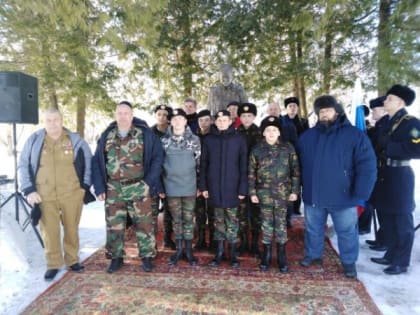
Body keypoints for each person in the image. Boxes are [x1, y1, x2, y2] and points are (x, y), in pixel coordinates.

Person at [297, 95, 377, 279]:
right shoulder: (307, 137)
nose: (324, 114)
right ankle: (313, 255)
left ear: (337, 111)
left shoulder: (354, 135)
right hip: (314, 195)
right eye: (321, 111)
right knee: (313, 229)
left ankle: (349, 262)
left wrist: (361, 192)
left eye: (328, 110)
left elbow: (367, 165)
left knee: (347, 232)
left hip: (344, 196)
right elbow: (297, 166)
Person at [18, 107, 94, 281]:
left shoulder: (74, 140)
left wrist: (84, 187)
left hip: (72, 193)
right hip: (44, 194)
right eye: (48, 120)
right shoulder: (35, 140)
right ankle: (53, 264)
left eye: (56, 120)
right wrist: (29, 190)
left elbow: (88, 161)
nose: (52, 123)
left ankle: (72, 260)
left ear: (61, 120)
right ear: (44, 122)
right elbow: (23, 165)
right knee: (49, 231)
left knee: (71, 228)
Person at [92, 101, 164, 273]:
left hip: (139, 186)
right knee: (114, 225)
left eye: (126, 113)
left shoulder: (145, 134)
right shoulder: (107, 135)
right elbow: (97, 161)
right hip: (114, 188)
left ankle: (146, 257)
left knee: (144, 224)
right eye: (119, 113)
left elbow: (157, 157)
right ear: (115, 115)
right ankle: (116, 258)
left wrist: (148, 182)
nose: (122, 116)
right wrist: (100, 187)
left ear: (132, 115)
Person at [369, 85, 420, 275]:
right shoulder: (387, 122)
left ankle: (401, 261)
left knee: (401, 220)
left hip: (400, 176)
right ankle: (390, 254)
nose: (385, 102)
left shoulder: (412, 124)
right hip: (384, 174)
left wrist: (390, 147)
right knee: (386, 216)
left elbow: (417, 149)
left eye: (389, 99)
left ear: (400, 102)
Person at [249, 116, 300, 272]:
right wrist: (252, 192)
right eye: (268, 130)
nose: (271, 133)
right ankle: (266, 255)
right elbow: (251, 172)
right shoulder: (257, 149)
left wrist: (294, 191)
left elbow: (295, 171)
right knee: (266, 225)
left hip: (282, 194)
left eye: (274, 130)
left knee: (281, 225)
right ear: (263, 133)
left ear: (279, 132)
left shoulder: (288, 148)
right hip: (263, 193)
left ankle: (282, 257)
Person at [199, 110, 248, 268]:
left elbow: (243, 166)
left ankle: (233, 254)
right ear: (215, 122)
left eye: (224, 120)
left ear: (230, 121)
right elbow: (203, 164)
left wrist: (243, 188)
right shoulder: (208, 139)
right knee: (218, 222)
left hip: (232, 187)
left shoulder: (239, 139)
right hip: (214, 187)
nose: (221, 122)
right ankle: (219, 253)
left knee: (232, 222)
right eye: (218, 120)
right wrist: (204, 186)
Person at [160, 109, 201, 266]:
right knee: (176, 220)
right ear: (171, 122)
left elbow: (200, 163)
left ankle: (188, 251)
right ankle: (178, 249)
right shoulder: (164, 141)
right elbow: (160, 164)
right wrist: (161, 187)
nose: (177, 122)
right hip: (171, 186)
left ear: (185, 121)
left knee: (189, 219)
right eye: (174, 119)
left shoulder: (195, 140)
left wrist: (200, 185)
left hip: (190, 186)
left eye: (180, 119)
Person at [358, 97, 387, 238]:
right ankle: (381, 238)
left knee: (382, 206)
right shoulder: (379, 126)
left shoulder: (386, 126)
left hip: (384, 171)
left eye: (375, 110)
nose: (372, 113)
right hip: (376, 169)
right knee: (374, 201)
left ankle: (384, 239)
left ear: (383, 110)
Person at [236, 103, 261, 255]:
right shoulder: (234, 133)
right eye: (244, 116)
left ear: (254, 117)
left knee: (256, 214)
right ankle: (243, 242)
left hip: (257, 180)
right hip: (239, 178)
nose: (246, 118)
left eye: (249, 116)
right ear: (240, 117)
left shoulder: (260, 133)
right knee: (241, 212)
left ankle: (255, 244)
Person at [150, 104, 176, 250]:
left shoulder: (174, 133)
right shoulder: (148, 133)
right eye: (159, 114)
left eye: (165, 115)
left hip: (169, 178)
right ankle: (151, 244)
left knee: (169, 212)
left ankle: (168, 238)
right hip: (153, 178)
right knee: (151, 213)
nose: (162, 117)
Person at [282, 97, 309, 226]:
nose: (292, 108)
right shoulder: (282, 121)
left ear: (298, 108)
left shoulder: (303, 121)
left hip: (301, 155)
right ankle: (290, 208)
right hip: (287, 155)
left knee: (298, 181)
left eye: (294, 106)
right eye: (290, 106)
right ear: (286, 108)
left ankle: (297, 207)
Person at [194, 109, 215, 249]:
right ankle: (201, 239)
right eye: (201, 120)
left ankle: (213, 241)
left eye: (207, 120)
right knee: (199, 212)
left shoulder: (216, 136)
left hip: (212, 179)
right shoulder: (193, 137)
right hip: (196, 178)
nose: (204, 123)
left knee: (212, 212)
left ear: (211, 121)